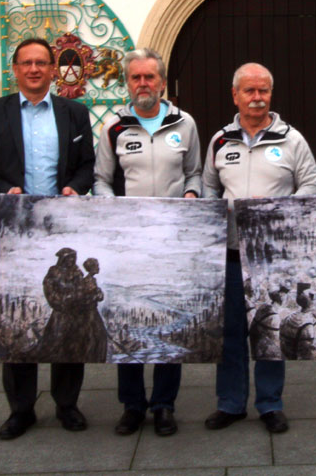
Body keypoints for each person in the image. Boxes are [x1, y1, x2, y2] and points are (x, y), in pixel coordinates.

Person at [0, 37, 95, 440]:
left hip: (62, 230)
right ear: (16, 69)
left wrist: (75, 187)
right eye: (27, 63)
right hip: (14, 231)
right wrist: (7, 192)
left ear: (53, 70)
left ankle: (66, 404)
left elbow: (87, 165)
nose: (35, 69)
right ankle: (21, 408)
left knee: (69, 317)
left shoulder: (74, 113)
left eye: (42, 63)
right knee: (18, 317)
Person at [202, 62, 316, 434]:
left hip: (275, 257)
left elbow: (312, 186)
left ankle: (270, 404)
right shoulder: (221, 140)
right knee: (232, 331)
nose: (257, 98)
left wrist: (277, 212)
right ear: (235, 95)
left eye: (263, 91)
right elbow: (209, 188)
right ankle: (231, 403)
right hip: (232, 253)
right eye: (249, 91)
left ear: (271, 94)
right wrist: (217, 208)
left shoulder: (292, 139)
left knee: (269, 331)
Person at [94, 48, 202, 437]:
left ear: (162, 82)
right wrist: (113, 210)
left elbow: (195, 174)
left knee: (168, 322)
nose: (143, 84)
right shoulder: (115, 127)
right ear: (128, 82)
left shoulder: (184, 123)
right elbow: (101, 180)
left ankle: (164, 404)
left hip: (171, 242)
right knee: (128, 322)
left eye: (150, 77)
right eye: (136, 77)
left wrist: (192, 195)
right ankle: (133, 405)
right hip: (130, 243)